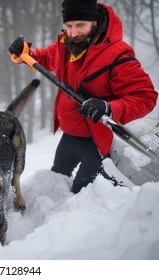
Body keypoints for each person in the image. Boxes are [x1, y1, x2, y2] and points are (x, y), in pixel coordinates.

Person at [9, 0, 158, 193]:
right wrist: (27, 53)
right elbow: (46, 57)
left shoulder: (117, 55)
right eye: (69, 26)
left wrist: (109, 108)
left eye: (80, 25)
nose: (73, 32)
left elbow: (145, 96)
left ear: (94, 22)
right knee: (55, 180)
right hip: (70, 134)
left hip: (99, 141)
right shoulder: (66, 43)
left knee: (82, 193)